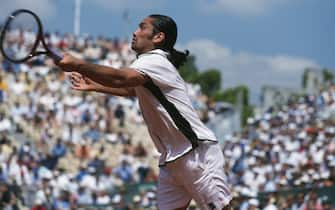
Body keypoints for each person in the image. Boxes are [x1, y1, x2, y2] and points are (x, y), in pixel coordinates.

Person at [56, 14, 232, 210]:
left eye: (142, 28)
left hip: (195, 153)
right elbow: (132, 89)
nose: (135, 32)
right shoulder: (148, 64)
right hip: (172, 159)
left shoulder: (155, 61)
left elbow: (123, 79)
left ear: (158, 37)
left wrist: (79, 64)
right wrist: (96, 86)